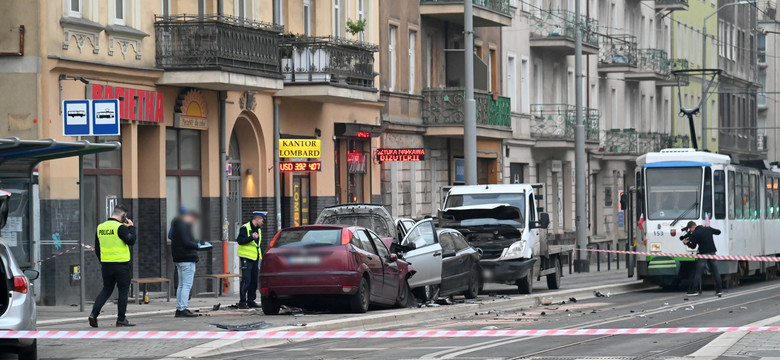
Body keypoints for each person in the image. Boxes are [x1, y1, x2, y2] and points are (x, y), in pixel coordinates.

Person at [88, 204, 137, 328]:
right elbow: (131, 240)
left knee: (106, 289)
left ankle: (94, 314)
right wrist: (131, 227)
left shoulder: (100, 227)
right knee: (123, 291)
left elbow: (97, 248)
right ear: (123, 215)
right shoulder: (120, 227)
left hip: (106, 265)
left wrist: (103, 261)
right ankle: (121, 319)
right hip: (121, 265)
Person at [170, 207, 201, 318]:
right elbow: (186, 242)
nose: (193, 222)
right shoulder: (183, 226)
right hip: (187, 258)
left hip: (179, 259)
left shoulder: (177, 225)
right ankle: (183, 308)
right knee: (186, 285)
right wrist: (198, 246)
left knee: (181, 285)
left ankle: (180, 308)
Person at [683, 220, 723, 296]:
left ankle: (694, 290)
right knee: (715, 271)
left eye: (690, 229)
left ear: (692, 227)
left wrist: (687, 243)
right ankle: (719, 290)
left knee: (698, 272)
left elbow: (693, 246)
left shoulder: (695, 233)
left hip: (703, 254)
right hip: (712, 252)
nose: (690, 231)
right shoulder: (708, 229)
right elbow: (718, 232)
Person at [236, 211, 266, 309]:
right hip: (246, 257)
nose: (263, 222)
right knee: (246, 280)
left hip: (255, 258)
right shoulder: (245, 228)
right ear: (257, 219)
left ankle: (251, 301)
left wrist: (263, 255)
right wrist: (251, 238)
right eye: (262, 220)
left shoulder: (259, 229)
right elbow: (240, 241)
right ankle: (242, 302)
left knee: (254, 280)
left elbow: (258, 245)